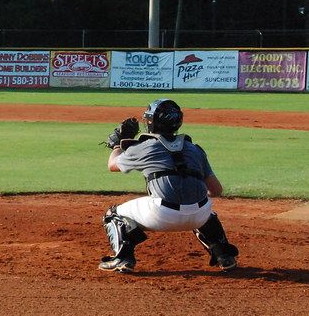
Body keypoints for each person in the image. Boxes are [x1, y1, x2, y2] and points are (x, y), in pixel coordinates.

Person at [98, 98, 238, 274]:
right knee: (206, 210)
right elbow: (216, 190)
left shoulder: (144, 147)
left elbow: (113, 165)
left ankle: (123, 258)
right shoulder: (194, 149)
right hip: (200, 215)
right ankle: (224, 256)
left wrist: (117, 144)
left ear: (151, 122)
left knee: (113, 214)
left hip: (161, 216)